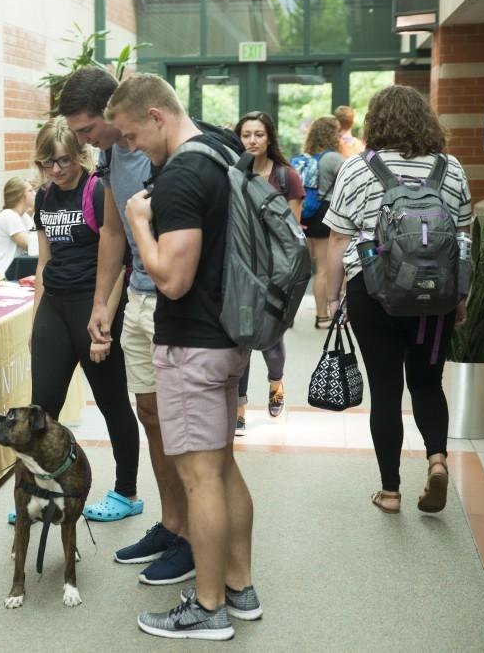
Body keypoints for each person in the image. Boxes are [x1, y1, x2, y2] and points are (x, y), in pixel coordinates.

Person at [108, 73, 259, 641]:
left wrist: (141, 224)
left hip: (192, 343)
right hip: (226, 335)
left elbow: (171, 278)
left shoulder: (182, 173)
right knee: (221, 470)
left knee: (199, 480)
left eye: (129, 135)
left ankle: (209, 607)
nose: (129, 148)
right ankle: (239, 589)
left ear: (155, 115)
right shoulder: (221, 148)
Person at [60, 66, 193, 584]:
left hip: (173, 302)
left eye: (89, 130)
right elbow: (113, 229)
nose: (84, 142)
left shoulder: (165, 151)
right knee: (151, 415)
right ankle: (171, 523)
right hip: (137, 297)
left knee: (184, 426)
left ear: (116, 114)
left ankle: (192, 539)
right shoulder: (112, 152)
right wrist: (101, 305)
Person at [324, 85, 472, 514]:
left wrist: (334, 299)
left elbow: (337, 238)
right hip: (435, 298)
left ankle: (390, 492)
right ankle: (438, 460)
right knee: (427, 382)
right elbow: (462, 237)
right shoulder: (451, 168)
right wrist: (459, 296)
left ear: (375, 121)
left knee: (386, 391)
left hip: (373, 294)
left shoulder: (357, 169)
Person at [29, 116, 143, 524]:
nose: (57, 170)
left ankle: (126, 491)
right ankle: (41, 495)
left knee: (113, 404)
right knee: (41, 408)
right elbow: (45, 261)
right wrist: (35, 323)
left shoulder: (97, 191)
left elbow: (119, 263)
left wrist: (104, 324)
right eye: (48, 163)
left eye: (63, 161)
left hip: (94, 305)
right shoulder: (43, 198)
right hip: (55, 307)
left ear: (80, 156)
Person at [232, 111, 304, 429]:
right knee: (241, 338)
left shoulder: (287, 177)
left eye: (258, 134)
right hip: (242, 271)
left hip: (276, 273)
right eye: (246, 134)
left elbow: (293, 234)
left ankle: (276, 382)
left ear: (269, 137)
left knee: (271, 339)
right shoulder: (232, 175)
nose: (252, 140)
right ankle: (239, 407)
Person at [300, 115, 346, 329]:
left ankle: (322, 315)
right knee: (325, 269)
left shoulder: (309, 156)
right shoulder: (334, 158)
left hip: (310, 213)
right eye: (337, 130)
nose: (341, 135)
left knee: (318, 268)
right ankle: (324, 316)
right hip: (326, 214)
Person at [0, 176, 35, 277]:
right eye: (30, 191)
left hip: (9, 273)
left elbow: (36, 238)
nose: (34, 194)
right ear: (20, 196)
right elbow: (31, 246)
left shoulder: (23, 216)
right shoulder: (9, 215)